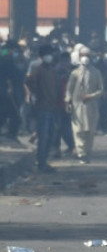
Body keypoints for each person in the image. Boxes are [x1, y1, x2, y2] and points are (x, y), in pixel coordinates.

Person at [24, 44, 61, 173]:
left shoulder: (51, 70)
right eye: (48, 54)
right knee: (43, 135)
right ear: (42, 56)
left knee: (51, 135)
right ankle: (41, 163)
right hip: (42, 107)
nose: (49, 56)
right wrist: (36, 95)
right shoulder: (38, 69)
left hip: (51, 107)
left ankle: (43, 161)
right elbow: (28, 82)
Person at [64, 49, 105, 163]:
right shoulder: (75, 73)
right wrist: (67, 101)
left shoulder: (96, 72)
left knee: (90, 131)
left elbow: (101, 89)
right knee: (78, 130)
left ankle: (87, 153)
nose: (85, 57)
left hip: (91, 106)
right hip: (77, 105)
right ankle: (81, 153)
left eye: (87, 55)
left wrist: (91, 96)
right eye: (83, 55)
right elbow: (69, 89)